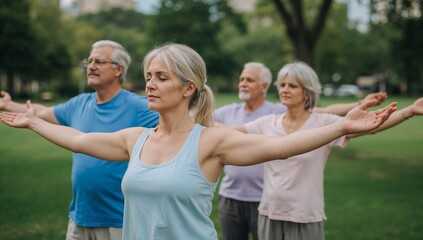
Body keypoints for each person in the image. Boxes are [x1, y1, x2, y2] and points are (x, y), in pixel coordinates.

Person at [0, 43, 397, 240]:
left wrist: (342, 127)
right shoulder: (135, 139)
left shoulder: (210, 143)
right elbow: (79, 139)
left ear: (188, 88)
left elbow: (281, 147)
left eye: (161, 77)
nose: (150, 85)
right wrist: (34, 123)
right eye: (149, 76)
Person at [226, 61, 422, 240]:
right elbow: (229, 134)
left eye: (292, 85)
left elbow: (371, 126)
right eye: (282, 85)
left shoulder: (323, 122)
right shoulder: (267, 123)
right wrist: (197, 125)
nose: (285, 89)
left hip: (305, 216)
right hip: (269, 213)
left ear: (307, 92)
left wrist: (408, 111)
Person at [0, 40, 159, 240]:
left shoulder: (139, 107)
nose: (91, 66)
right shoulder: (79, 103)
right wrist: (9, 104)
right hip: (79, 218)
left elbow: (178, 122)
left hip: (120, 221)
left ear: (118, 70)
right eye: (89, 61)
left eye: (99, 62)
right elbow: (43, 112)